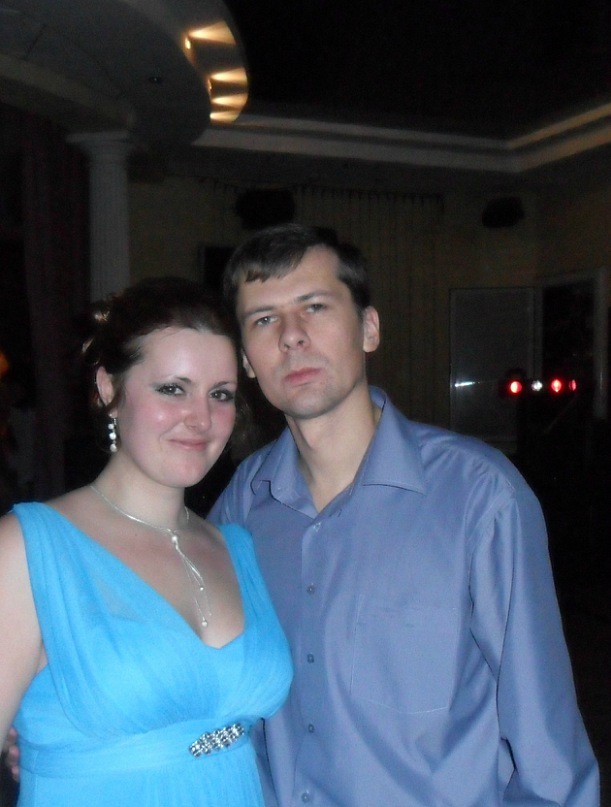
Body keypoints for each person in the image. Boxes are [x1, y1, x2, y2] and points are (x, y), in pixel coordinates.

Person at [209, 223, 599, 806]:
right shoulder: (244, 502)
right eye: (264, 319)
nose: (291, 336)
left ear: (369, 328)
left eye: (315, 306)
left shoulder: (478, 497)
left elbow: (547, 750)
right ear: (245, 359)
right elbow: (201, 673)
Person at [0, 277, 293, 806]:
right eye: (173, 389)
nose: (201, 419)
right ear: (109, 388)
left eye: (220, 394)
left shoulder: (237, 545)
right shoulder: (27, 549)